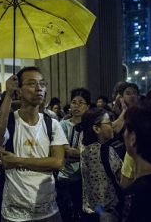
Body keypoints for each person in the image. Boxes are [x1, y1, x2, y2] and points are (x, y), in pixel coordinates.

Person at [0, 66, 68, 222]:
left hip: (49, 211)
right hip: (14, 214)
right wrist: (9, 95)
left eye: (42, 84)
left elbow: (58, 162)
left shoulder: (52, 124)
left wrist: (17, 161)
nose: (39, 88)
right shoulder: (9, 121)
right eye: (32, 84)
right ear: (19, 90)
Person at [79, 108, 122, 222]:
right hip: (107, 214)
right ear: (97, 129)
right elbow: (123, 179)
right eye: (108, 122)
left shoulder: (86, 149)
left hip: (91, 212)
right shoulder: (106, 151)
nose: (112, 125)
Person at [56, 88, 91, 222]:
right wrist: (85, 153)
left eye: (81, 103)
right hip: (66, 177)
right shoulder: (63, 124)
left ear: (88, 106)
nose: (76, 106)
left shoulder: (92, 125)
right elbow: (65, 150)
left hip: (86, 178)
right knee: (67, 214)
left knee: (83, 214)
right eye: (73, 102)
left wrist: (77, 153)